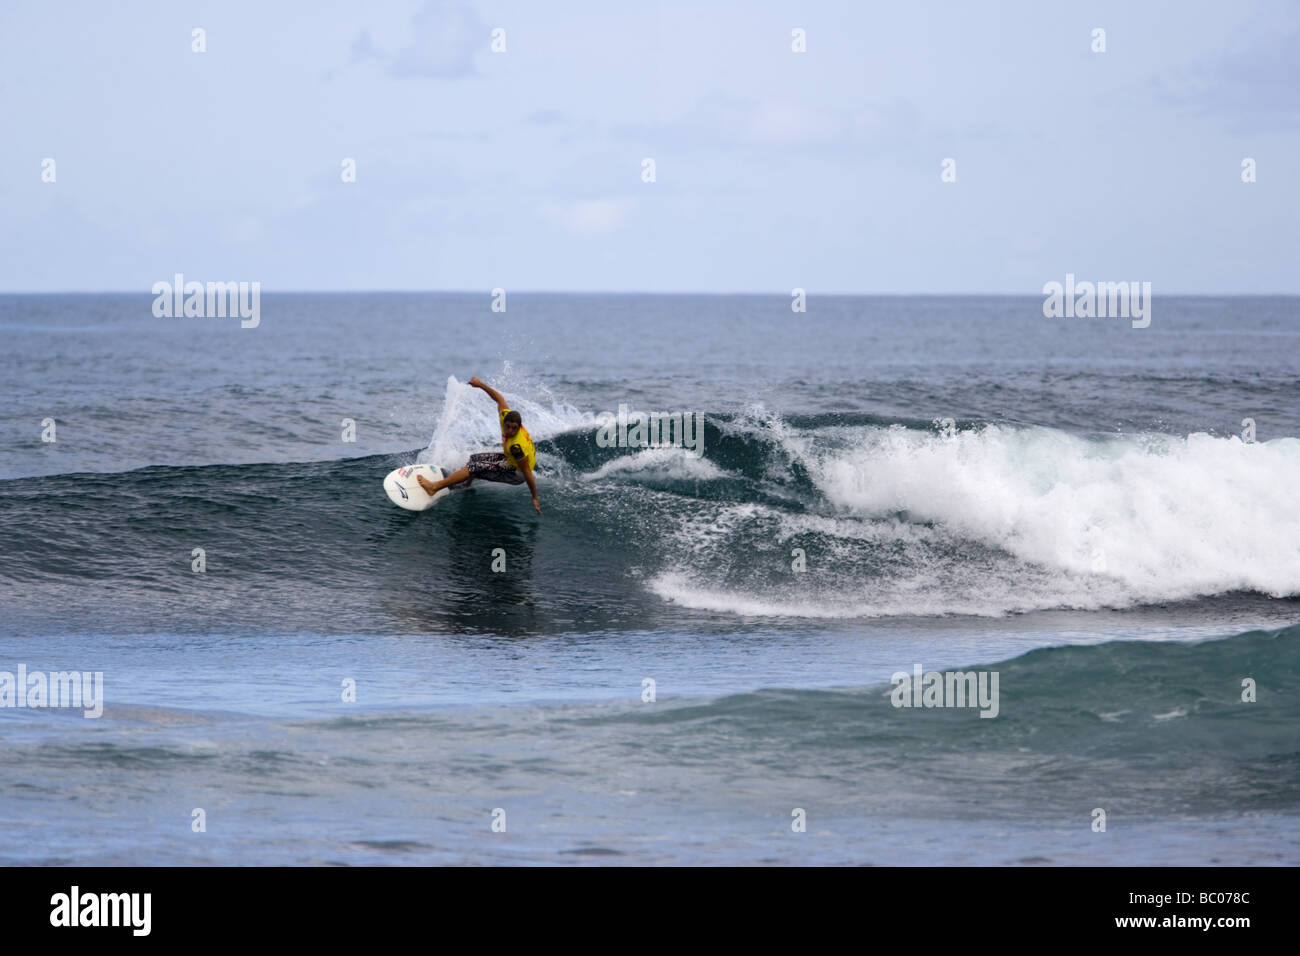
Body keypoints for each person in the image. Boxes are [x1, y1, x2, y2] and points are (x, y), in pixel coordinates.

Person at [417, 376, 540, 513]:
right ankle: (466, 484)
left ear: (519, 427)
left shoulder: (516, 446)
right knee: (474, 458)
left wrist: (534, 497)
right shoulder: (505, 416)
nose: (510, 431)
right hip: (510, 460)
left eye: (514, 428)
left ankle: (434, 487)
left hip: (517, 473)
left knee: (473, 467)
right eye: (508, 426)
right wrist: (481, 385)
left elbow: (527, 472)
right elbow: (499, 399)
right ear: (504, 421)